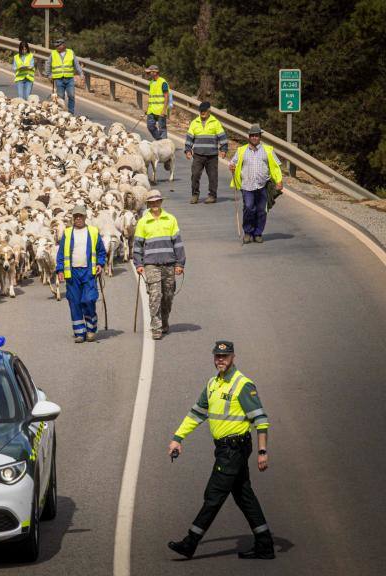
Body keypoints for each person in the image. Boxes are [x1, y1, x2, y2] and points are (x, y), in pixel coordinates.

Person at [167, 341, 275, 561]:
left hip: (234, 450)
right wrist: (178, 438)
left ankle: (190, 543)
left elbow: (261, 420)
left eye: (224, 356)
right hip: (224, 449)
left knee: (213, 496)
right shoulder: (212, 384)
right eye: (217, 356)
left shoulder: (242, 384)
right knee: (244, 496)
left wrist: (262, 452)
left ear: (233, 357)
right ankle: (265, 545)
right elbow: (196, 413)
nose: (220, 360)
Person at [133, 191, 184, 340]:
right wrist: (138, 263)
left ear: (161, 202)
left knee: (168, 296)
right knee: (155, 295)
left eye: (157, 202)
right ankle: (156, 326)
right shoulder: (143, 222)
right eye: (152, 202)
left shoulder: (170, 219)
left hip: (169, 263)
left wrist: (180, 263)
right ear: (148, 204)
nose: (155, 205)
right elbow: (137, 245)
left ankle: (165, 320)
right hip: (151, 264)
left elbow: (178, 243)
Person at [56, 204, 106, 343]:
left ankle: (91, 329)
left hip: (88, 272)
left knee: (89, 299)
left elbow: (101, 251)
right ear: (73, 218)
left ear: (85, 217)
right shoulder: (67, 233)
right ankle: (79, 333)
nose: (78, 218)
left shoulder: (93, 232)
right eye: (76, 216)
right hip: (72, 274)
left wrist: (100, 264)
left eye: (80, 216)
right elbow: (61, 253)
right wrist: (60, 269)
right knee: (74, 302)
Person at [229, 124, 283, 244]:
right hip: (246, 186)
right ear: (249, 137)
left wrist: (279, 180)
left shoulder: (268, 150)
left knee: (261, 210)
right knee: (249, 207)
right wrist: (232, 166)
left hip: (262, 186)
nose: (254, 138)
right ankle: (248, 232)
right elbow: (232, 162)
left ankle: (258, 233)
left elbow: (275, 167)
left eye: (256, 135)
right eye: (252, 135)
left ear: (260, 137)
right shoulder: (241, 150)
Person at [185, 101, 228, 204]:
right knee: (195, 175)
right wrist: (188, 150)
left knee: (213, 176)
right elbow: (189, 138)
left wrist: (223, 149)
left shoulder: (215, 122)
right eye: (201, 111)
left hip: (212, 156)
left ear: (209, 111)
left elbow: (222, 137)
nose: (202, 112)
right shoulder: (194, 122)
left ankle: (212, 196)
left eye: (204, 111)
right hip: (198, 155)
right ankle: (195, 195)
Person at [44, 38, 85, 115]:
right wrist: (49, 75)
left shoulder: (70, 52)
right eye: (56, 46)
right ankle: (62, 113)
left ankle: (71, 113)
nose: (57, 47)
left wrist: (81, 74)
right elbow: (48, 64)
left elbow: (76, 64)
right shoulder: (53, 53)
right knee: (61, 97)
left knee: (71, 96)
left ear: (63, 45)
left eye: (58, 46)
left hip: (69, 79)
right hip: (58, 79)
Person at [145, 64, 169, 140]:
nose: (148, 74)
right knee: (150, 126)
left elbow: (166, 96)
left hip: (160, 110)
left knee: (162, 129)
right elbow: (151, 97)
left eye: (149, 72)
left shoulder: (163, 82)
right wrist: (147, 108)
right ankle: (160, 140)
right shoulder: (151, 83)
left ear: (155, 72)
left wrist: (164, 110)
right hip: (151, 110)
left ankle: (164, 145)